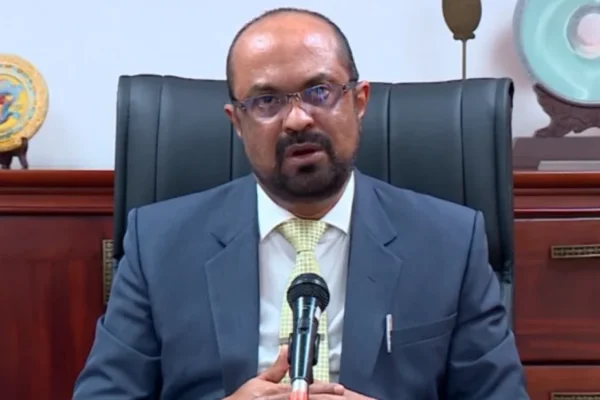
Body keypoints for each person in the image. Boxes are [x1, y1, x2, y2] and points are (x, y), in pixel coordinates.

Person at [72, 7, 530, 400]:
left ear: (360, 101)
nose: (296, 119)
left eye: (319, 91)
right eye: (266, 100)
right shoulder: (159, 244)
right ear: (237, 123)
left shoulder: (450, 243)